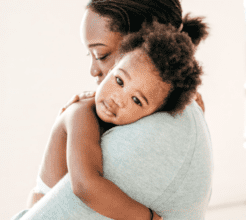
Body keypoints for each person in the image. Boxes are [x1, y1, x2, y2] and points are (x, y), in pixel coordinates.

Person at [12, 0, 213, 219]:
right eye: (119, 80)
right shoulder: (81, 111)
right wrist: (148, 217)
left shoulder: (165, 109)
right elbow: (85, 185)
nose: (92, 71)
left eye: (101, 55)